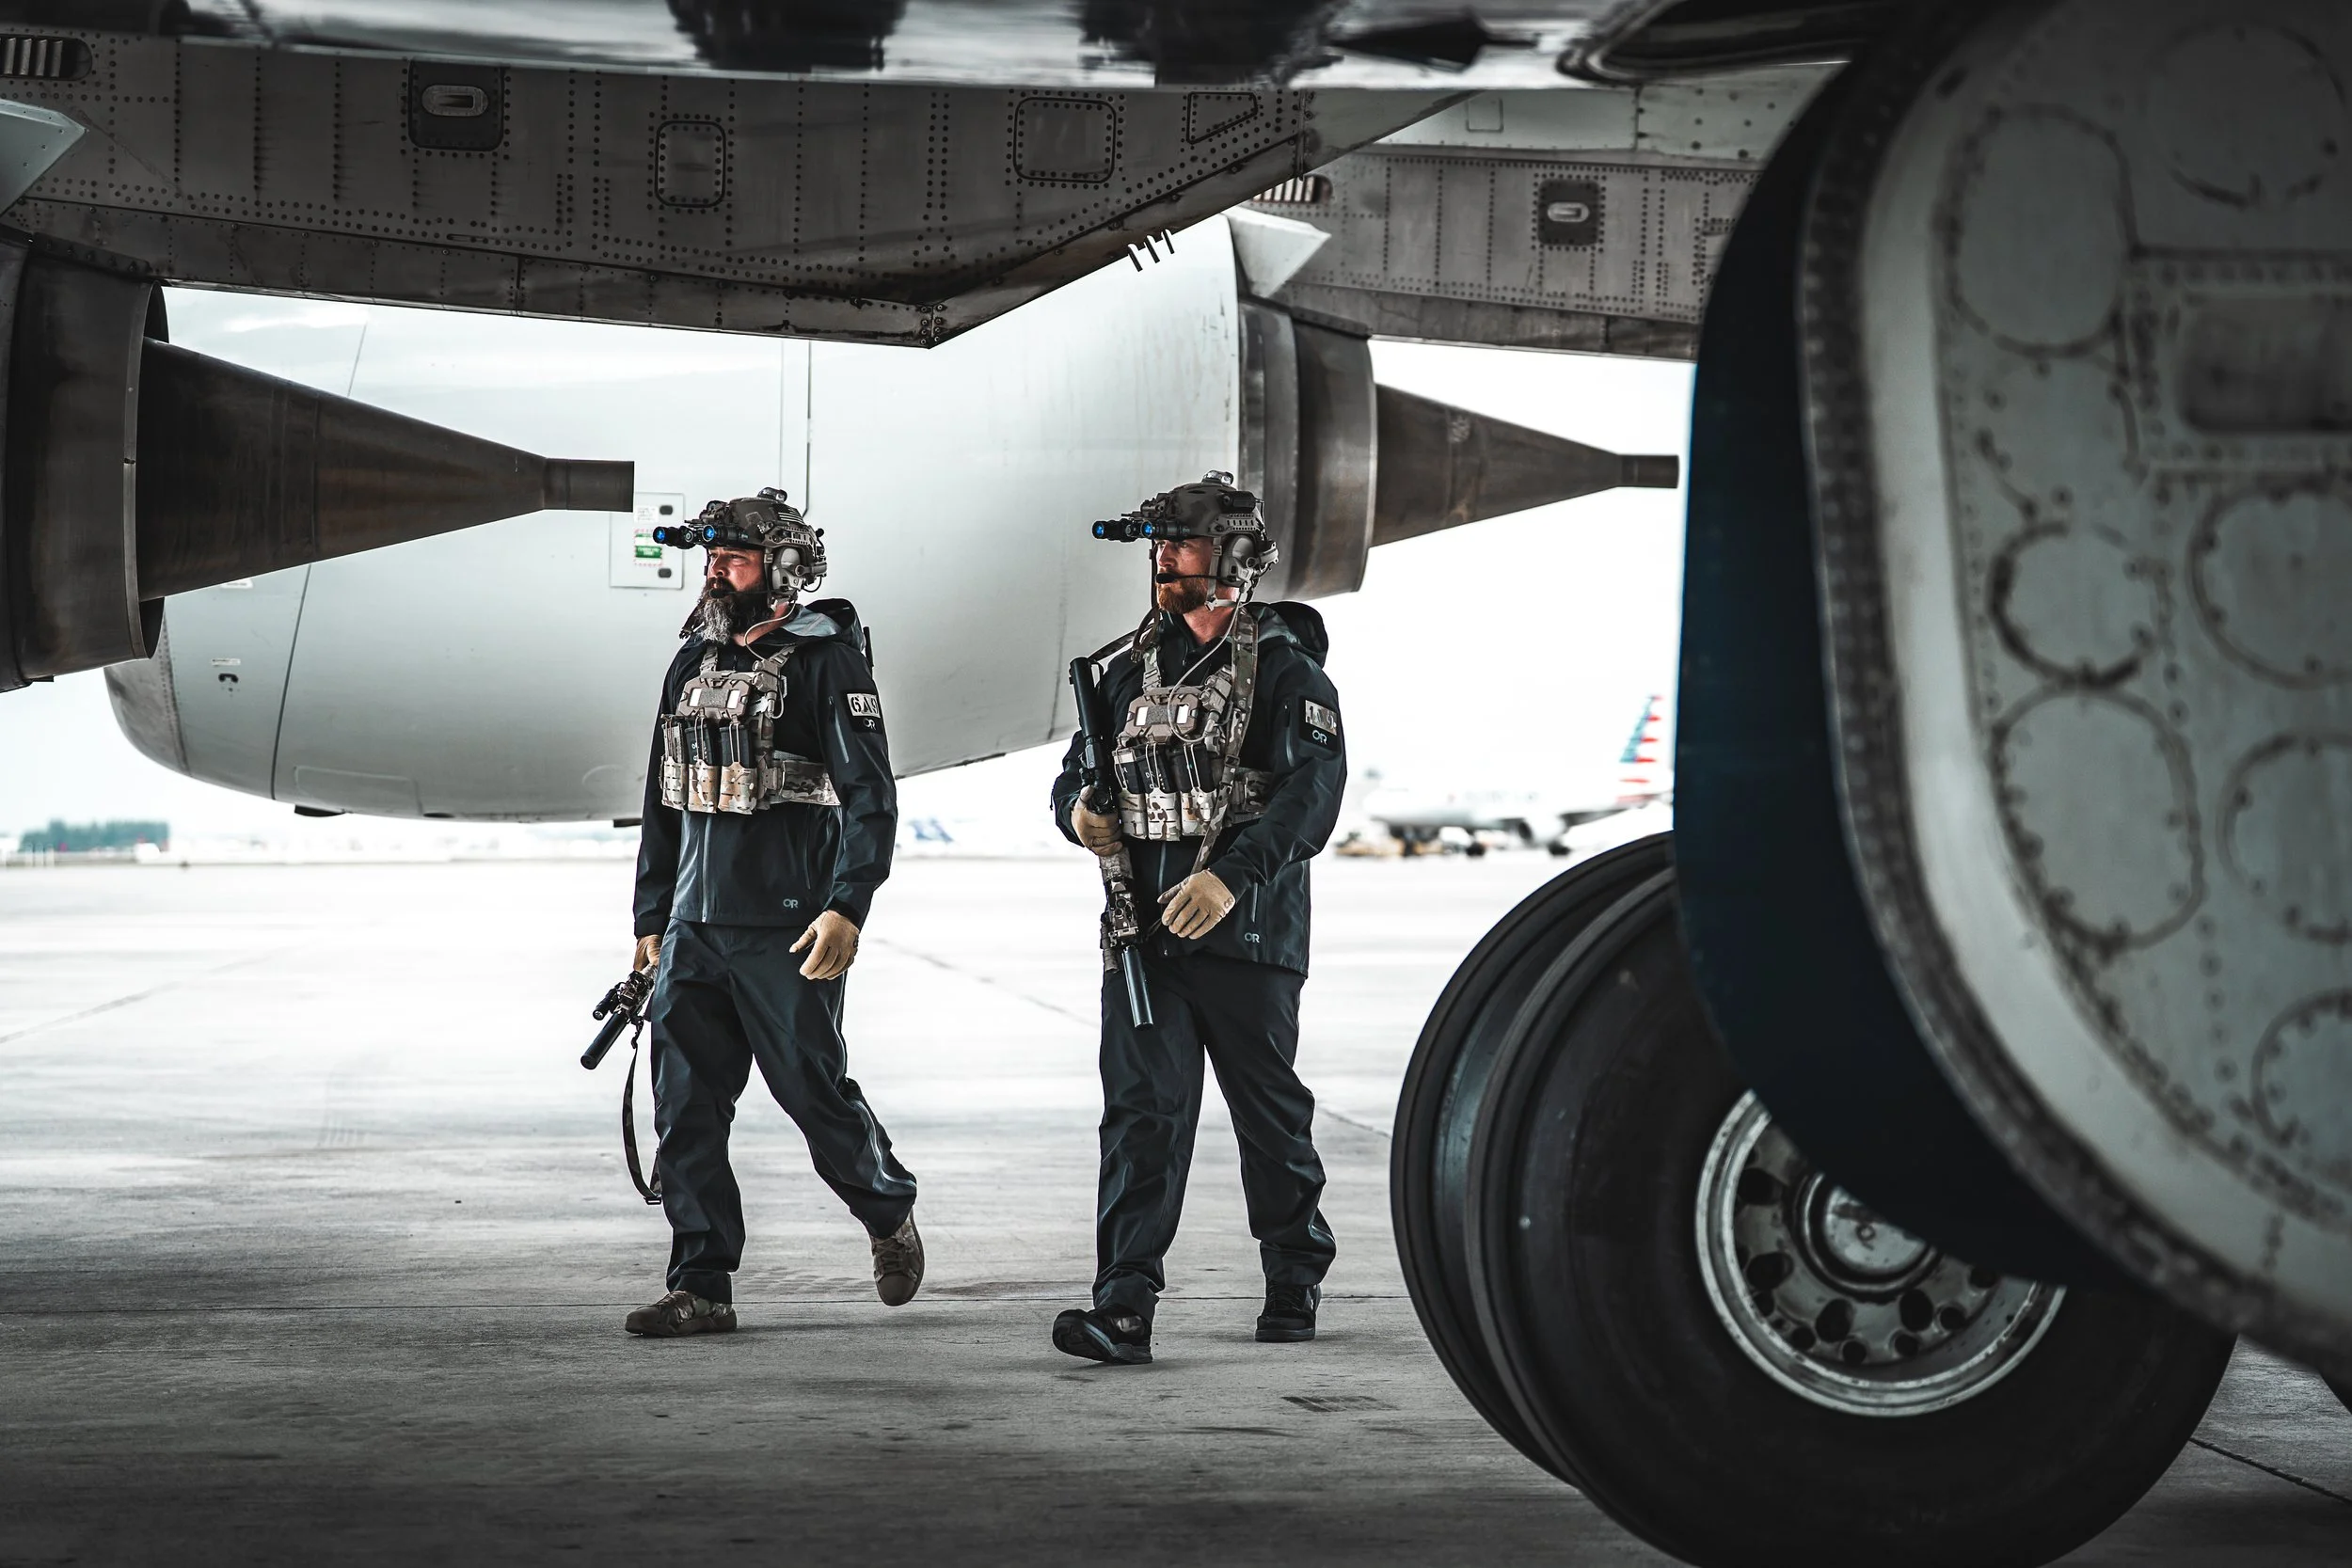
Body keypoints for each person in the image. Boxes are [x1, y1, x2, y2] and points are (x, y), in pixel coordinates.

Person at [1048, 472, 1346, 1366]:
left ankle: (1294, 1272)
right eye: (1159, 544)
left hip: (1247, 941)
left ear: (1235, 559)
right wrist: (1078, 813)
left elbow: (1312, 795)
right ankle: (1124, 1306)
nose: (1163, 558)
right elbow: (1075, 774)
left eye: (1179, 543)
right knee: (1143, 1115)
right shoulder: (1122, 670)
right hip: (1142, 940)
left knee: (1270, 1118)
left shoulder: (1288, 670)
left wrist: (1231, 878)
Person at [623, 488, 921, 1338]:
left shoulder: (828, 661)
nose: (715, 571)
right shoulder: (692, 665)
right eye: (710, 558)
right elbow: (663, 802)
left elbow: (872, 799)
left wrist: (848, 907)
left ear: (783, 569)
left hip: (786, 930)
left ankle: (887, 1210)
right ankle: (703, 1283)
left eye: (733, 559)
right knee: (684, 1110)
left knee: (815, 1097)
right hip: (694, 929)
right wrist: (653, 917)